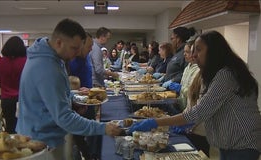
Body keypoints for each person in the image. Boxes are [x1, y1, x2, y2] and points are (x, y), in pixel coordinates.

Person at [128, 31, 261, 160]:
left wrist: (155, 122)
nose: (194, 55)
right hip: (229, 143)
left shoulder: (226, 75)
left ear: (213, 51)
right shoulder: (213, 74)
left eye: (198, 50)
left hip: (242, 144)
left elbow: (200, 111)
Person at [16, 19, 122, 159]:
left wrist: (74, 94)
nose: (78, 53)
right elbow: (64, 118)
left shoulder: (50, 57)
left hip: (40, 135)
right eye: (74, 48)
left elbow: (46, 95)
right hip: (40, 143)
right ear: (59, 42)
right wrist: (103, 128)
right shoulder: (48, 67)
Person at [67, 33, 98, 160]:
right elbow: (69, 86)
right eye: (89, 46)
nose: (91, 49)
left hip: (87, 103)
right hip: (77, 106)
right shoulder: (70, 62)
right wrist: (77, 102)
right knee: (76, 141)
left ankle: (91, 155)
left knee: (90, 136)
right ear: (80, 45)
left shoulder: (86, 57)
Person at [0, 36, 27, 134]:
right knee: (24, 127)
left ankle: (10, 147)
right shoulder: (26, 61)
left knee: (10, 126)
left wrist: (5, 87)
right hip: (23, 99)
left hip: (6, 99)